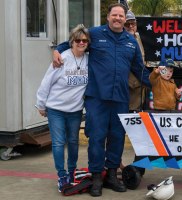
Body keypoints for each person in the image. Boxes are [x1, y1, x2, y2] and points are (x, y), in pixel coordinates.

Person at [52, 3, 151, 197]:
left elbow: (140, 70)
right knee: (96, 138)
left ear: (125, 19)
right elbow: (72, 41)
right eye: (114, 15)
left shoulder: (130, 42)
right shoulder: (95, 34)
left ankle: (112, 175)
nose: (118, 18)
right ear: (108, 17)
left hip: (121, 98)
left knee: (117, 138)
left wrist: (161, 83)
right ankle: (97, 176)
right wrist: (57, 50)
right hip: (97, 98)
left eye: (121, 16)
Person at [36, 24, 90, 192]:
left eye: (84, 40)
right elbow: (46, 82)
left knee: (73, 142)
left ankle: (72, 173)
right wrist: (41, 104)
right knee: (59, 143)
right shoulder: (61, 59)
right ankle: (61, 176)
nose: (81, 43)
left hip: (75, 111)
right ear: (71, 42)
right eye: (78, 40)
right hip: (56, 110)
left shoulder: (89, 59)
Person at [125, 10, 147, 112]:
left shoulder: (137, 37)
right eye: (127, 24)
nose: (130, 26)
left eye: (133, 23)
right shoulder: (121, 40)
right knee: (129, 112)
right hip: (130, 85)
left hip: (140, 83)